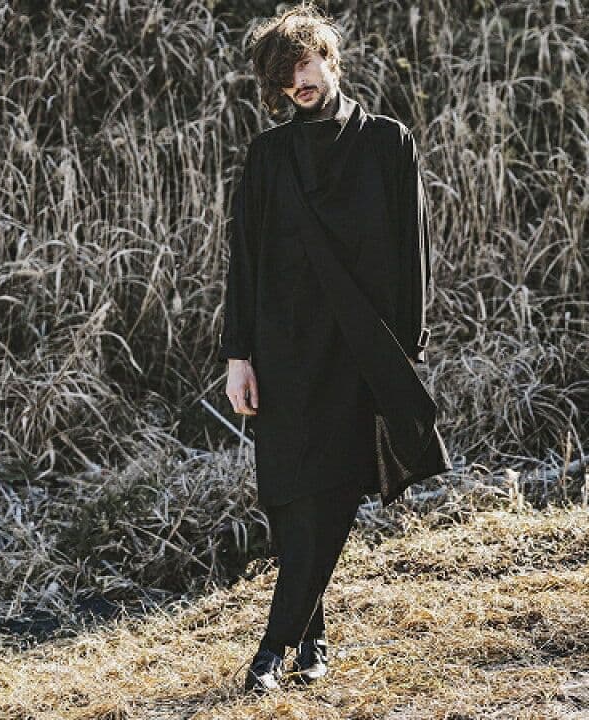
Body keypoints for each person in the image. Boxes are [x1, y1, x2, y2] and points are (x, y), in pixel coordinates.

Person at [217, 3, 452, 695]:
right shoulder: (269, 156)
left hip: (359, 349)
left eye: (305, 64)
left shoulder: (386, 142)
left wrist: (403, 352)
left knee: (338, 492)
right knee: (290, 497)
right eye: (284, 75)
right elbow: (244, 260)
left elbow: (414, 254)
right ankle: (312, 638)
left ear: (329, 59)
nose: (299, 81)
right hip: (282, 351)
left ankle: (271, 650)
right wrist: (238, 356)